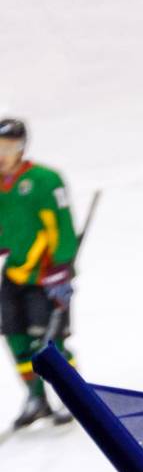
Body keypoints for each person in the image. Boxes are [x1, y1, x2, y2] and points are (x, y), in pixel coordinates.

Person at [0, 117, 79, 430]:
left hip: (45, 277)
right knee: (16, 338)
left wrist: (62, 269)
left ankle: (72, 397)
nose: (3, 154)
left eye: (10, 147)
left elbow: (62, 226)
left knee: (49, 342)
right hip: (14, 276)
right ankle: (36, 398)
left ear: (22, 148)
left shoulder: (45, 180)